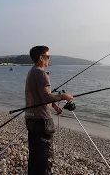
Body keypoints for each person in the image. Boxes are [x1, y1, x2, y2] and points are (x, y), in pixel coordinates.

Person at [25, 45, 73, 175]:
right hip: (42, 122)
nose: (49, 59)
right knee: (44, 158)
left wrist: (54, 105)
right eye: (47, 56)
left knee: (35, 155)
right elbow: (46, 96)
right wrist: (64, 96)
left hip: (31, 118)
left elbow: (38, 95)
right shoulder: (41, 74)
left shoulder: (31, 72)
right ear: (41, 58)